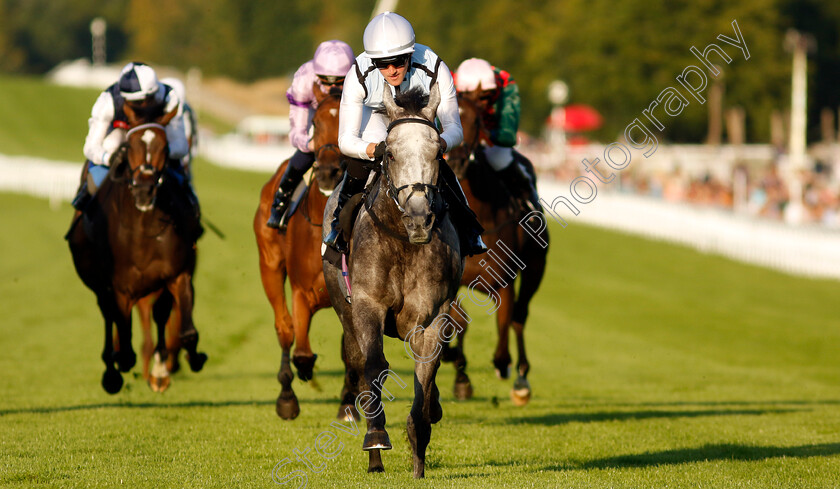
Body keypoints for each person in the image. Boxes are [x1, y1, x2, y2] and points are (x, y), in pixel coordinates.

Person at [327, 11, 487, 256]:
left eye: (399, 62)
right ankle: (339, 227)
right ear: (373, 61)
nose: (391, 70)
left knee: (438, 167)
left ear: (410, 54)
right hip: (375, 119)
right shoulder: (358, 74)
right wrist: (374, 149)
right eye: (383, 64)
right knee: (359, 166)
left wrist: (438, 145)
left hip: (417, 123)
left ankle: (469, 230)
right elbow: (346, 140)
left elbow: (455, 128)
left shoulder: (434, 68)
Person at [72, 62, 194, 214]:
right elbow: (90, 147)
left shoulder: (170, 99)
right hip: (119, 137)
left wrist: (161, 151)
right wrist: (109, 158)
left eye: (141, 102)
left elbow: (181, 145)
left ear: (151, 95)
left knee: (180, 182)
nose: (139, 108)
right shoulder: (108, 101)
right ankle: (84, 208)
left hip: (157, 143)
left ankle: (191, 208)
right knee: (111, 144)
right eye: (132, 103)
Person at [266, 40, 356, 229]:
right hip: (316, 117)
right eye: (325, 80)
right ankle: (280, 202)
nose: (333, 88)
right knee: (303, 157)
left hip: (349, 115)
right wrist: (312, 144)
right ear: (317, 75)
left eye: (340, 82)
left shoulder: (360, 76)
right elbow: (297, 132)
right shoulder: (304, 79)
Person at [453, 57, 541, 212]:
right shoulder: (450, 83)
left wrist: (485, 135)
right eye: (474, 97)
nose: (481, 103)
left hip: (491, 139)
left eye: (486, 96)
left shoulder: (506, 85)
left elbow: (508, 135)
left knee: (499, 158)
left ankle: (529, 206)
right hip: (461, 137)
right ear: (462, 92)